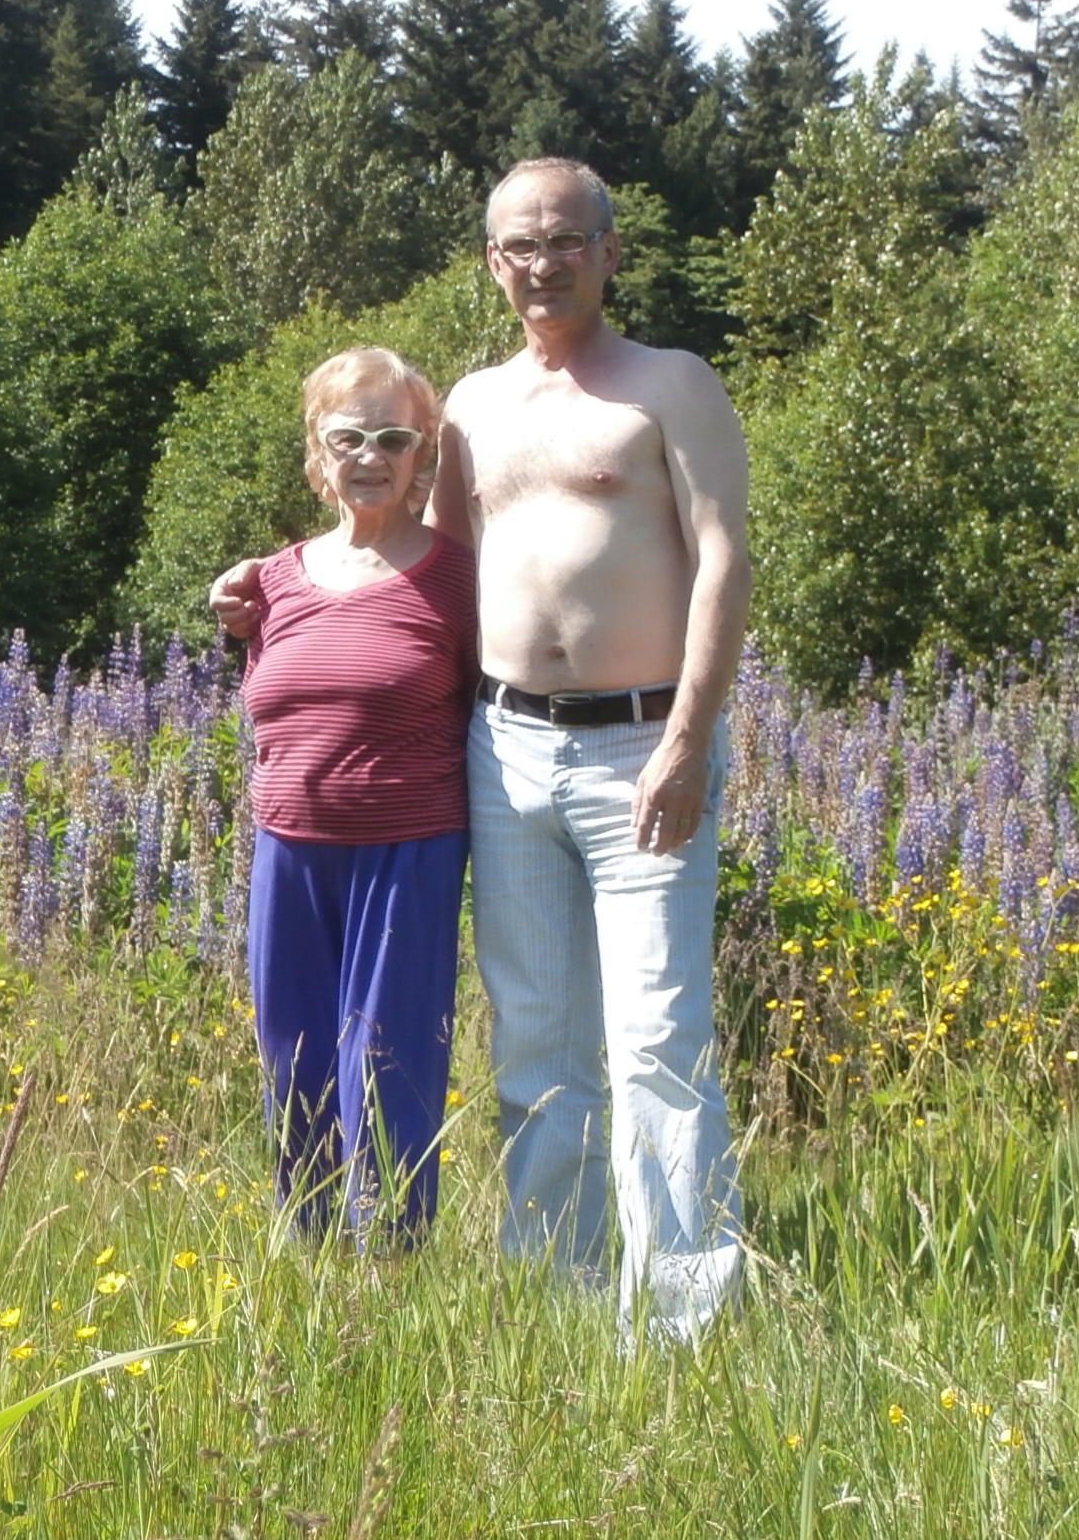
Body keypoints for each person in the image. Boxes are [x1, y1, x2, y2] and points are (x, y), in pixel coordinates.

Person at [214, 158, 752, 1341]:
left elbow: (723, 558)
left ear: (608, 251)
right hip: (505, 752)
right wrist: (269, 586)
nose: (542, 263)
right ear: (492, 261)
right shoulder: (471, 406)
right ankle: (560, 1312)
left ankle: (680, 1331)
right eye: (520, 245)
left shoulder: (670, 385)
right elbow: (413, 569)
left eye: (565, 240)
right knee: (535, 1047)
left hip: (641, 748)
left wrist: (688, 738)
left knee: (657, 1043)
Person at [238, 346, 476, 1247]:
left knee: (386, 1060)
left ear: (421, 457)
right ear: (318, 449)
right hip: (288, 847)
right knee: (292, 1059)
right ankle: (308, 1252)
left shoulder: (459, 578)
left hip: (407, 851)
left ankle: (387, 1261)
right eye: (349, 437)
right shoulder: (270, 581)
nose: (370, 455)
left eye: (393, 438)